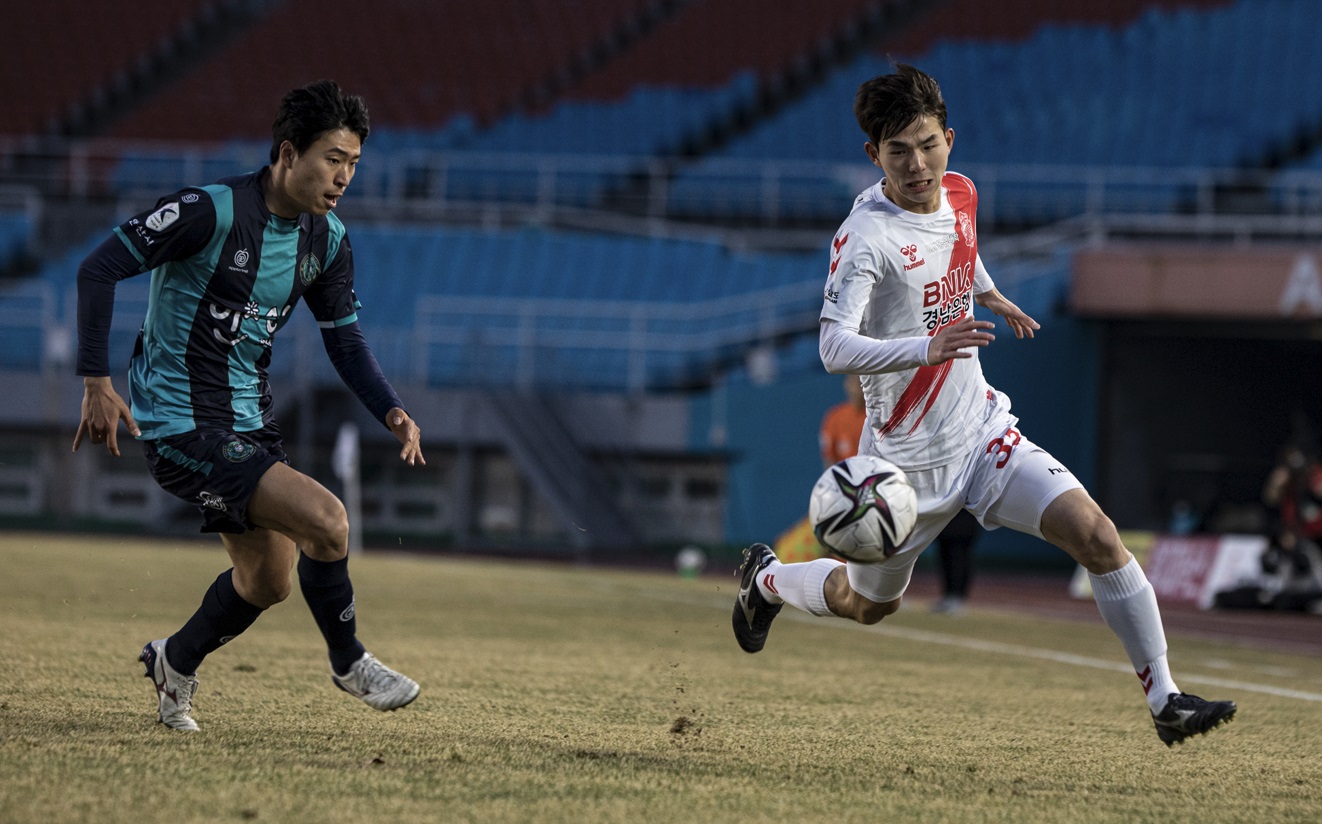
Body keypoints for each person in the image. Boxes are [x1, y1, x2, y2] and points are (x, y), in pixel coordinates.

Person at [731, 64, 1235, 746]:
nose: (918, 165)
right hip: (903, 467)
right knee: (867, 605)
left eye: (927, 145)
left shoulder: (962, 192)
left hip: (981, 433)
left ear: (949, 139)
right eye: (899, 151)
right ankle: (766, 582)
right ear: (873, 154)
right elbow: (832, 347)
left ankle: (1166, 700)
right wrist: (927, 346)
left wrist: (988, 292)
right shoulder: (865, 238)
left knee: (1096, 536)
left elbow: (958, 245)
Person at [73, 80, 424, 731]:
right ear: (288, 153)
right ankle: (350, 662)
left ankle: (173, 661)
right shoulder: (209, 211)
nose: (344, 176)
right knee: (328, 521)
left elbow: (345, 343)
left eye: (353, 162)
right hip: (179, 424)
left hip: (249, 425)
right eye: (332, 159)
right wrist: (96, 380)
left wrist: (391, 409)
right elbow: (98, 268)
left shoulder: (326, 240)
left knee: (268, 582)